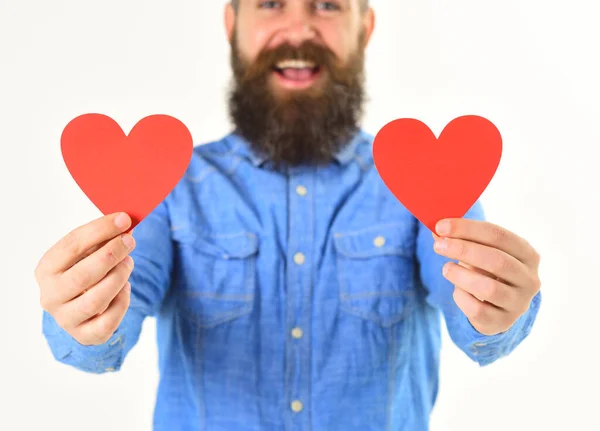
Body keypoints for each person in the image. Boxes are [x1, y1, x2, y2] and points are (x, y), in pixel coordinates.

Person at [35, 1, 542, 430]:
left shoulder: (426, 182)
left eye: (327, 4)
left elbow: (477, 325)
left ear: (364, 28)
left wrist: (499, 309)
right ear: (231, 25)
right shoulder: (169, 184)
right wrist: (83, 319)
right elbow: (109, 331)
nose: (299, 29)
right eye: (271, 1)